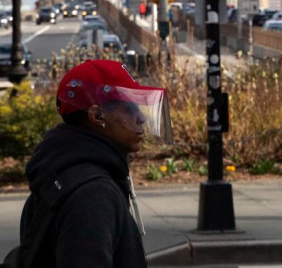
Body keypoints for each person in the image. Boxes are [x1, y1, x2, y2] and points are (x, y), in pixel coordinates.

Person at [15, 59, 170, 267]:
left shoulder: (62, 173)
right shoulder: (93, 195)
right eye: (130, 108)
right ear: (97, 115)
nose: (141, 119)